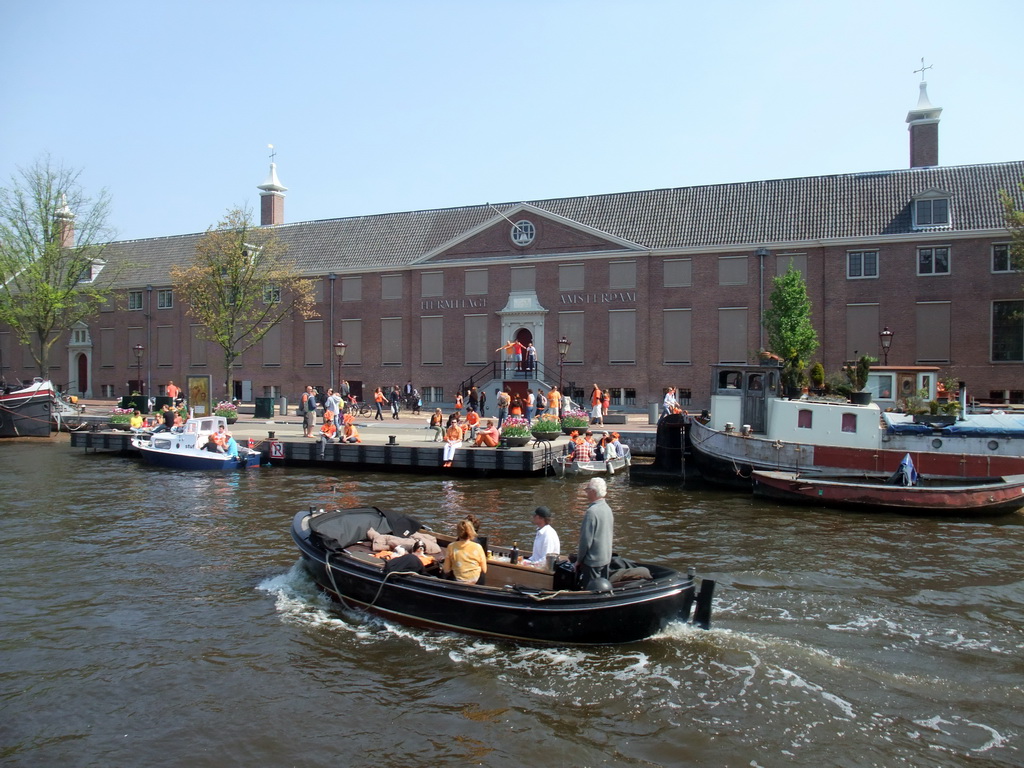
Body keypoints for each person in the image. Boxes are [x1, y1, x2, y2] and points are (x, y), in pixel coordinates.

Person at [576, 477, 613, 590]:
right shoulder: (607, 508)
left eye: (587, 490)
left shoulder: (591, 512)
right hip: (606, 558)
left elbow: (585, 540)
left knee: (590, 591)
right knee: (603, 589)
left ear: (593, 491)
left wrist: (579, 560)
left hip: (593, 562)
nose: (586, 493)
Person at [442, 518, 487, 584]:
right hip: (476, 580)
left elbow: (446, 570)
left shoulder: (451, 546)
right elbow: (484, 570)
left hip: (459, 581)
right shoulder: (478, 547)